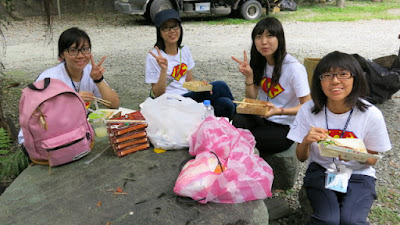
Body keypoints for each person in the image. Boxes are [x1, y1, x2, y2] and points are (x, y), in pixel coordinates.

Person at [287, 51, 391, 224]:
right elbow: (301, 157)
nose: (335, 81)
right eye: (327, 75)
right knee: (328, 219)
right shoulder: (309, 110)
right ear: (319, 82)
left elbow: (372, 160)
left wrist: (353, 154)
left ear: (355, 78)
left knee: (351, 220)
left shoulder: (371, 114)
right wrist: (306, 140)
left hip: (360, 174)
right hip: (321, 170)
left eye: (343, 74)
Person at [18, 27, 120, 145]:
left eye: (85, 49)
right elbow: (37, 117)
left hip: (72, 132)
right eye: (73, 50)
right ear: (62, 54)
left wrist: (99, 80)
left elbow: (114, 104)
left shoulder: (89, 72)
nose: (80, 55)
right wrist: (72, 101)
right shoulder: (49, 79)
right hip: (42, 141)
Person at [231, 17, 311, 156]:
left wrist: (280, 111)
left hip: (285, 127)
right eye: (259, 36)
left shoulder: (294, 68)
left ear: (280, 39)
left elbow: (307, 106)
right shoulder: (260, 62)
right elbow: (251, 99)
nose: (264, 42)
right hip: (263, 118)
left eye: (270, 36)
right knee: (237, 120)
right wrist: (249, 77)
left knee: (245, 138)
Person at [145, 9, 235, 118]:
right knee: (220, 86)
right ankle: (239, 118)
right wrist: (164, 69)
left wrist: (201, 85)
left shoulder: (185, 50)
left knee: (226, 104)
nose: (172, 31)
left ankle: (230, 127)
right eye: (166, 28)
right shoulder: (154, 56)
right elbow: (158, 95)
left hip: (187, 98)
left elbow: (189, 81)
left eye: (175, 26)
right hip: (171, 102)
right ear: (159, 32)